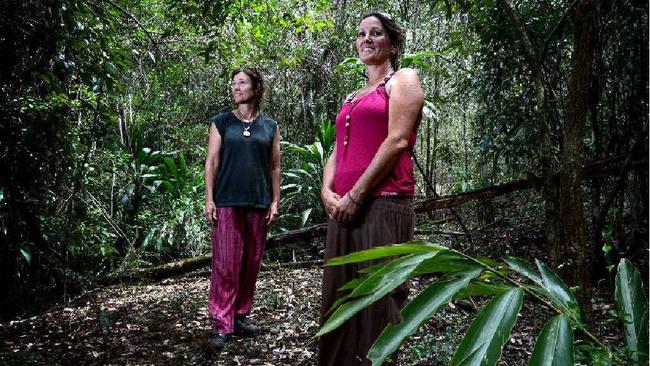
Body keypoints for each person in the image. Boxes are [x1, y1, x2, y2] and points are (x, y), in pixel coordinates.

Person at [319, 12, 424, 365]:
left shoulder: (402, 79)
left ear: (393, 43)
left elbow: (396, 142)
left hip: (382, 203)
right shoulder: (353, 95)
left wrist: (357, 195)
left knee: (379, 299)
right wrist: (326, 191)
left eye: (376, 33)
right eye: (361, 33)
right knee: (339, 298)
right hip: (343, 208)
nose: (366, 39)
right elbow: (337, 148)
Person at [204, 67, 281, 351]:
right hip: (226, 201)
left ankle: (239, 316)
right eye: (233, 82)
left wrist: (275, 200)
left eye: (242, 82)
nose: (236, 87)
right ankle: (222, 324)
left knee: (250, 264)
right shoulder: (221, 122)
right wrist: (209, 199)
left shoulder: (270, 126)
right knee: (227, 264)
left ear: (256, 88)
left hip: (259, 201)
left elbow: (274, 165)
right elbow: (211, 162)